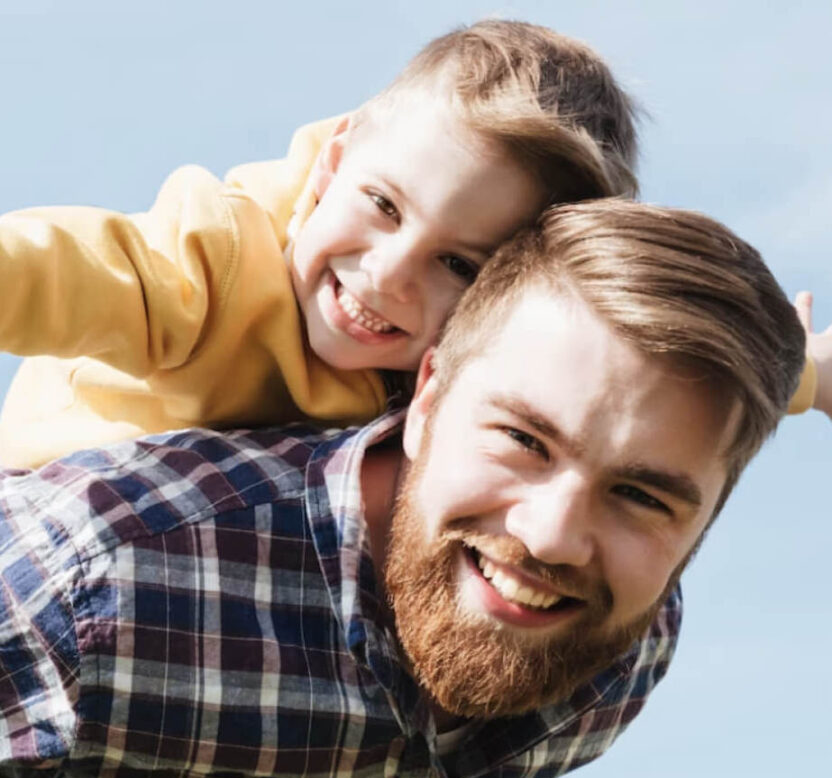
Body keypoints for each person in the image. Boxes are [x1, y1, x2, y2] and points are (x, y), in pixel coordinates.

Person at [0, 198, 811, 778]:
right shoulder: (115, 569)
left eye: (639, 494)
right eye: (525, 440)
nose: (552, 537)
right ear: (427, 401)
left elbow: (486, 772)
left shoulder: (617, 650)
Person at [0, 20, 638, 470]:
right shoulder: (215, 264)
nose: (388, 273)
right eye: (384, 205)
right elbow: (66, 270)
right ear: (332, 167)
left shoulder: (461, 386)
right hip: (43, 531)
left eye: (456, 264)